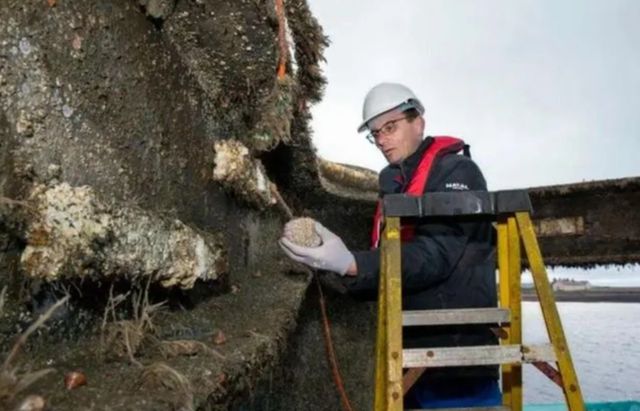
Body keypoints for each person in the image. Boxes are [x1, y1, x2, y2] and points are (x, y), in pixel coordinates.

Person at [279, 82, 500, 408]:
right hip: (407, 354)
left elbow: (437, 255)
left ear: (418, 122)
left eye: (390, 127)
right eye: (375, 133)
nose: (381, 140)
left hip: (455, 357)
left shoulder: (458, 171)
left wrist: (353, 263)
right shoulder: (396, 184)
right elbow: (387, 273)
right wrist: (329, 267)